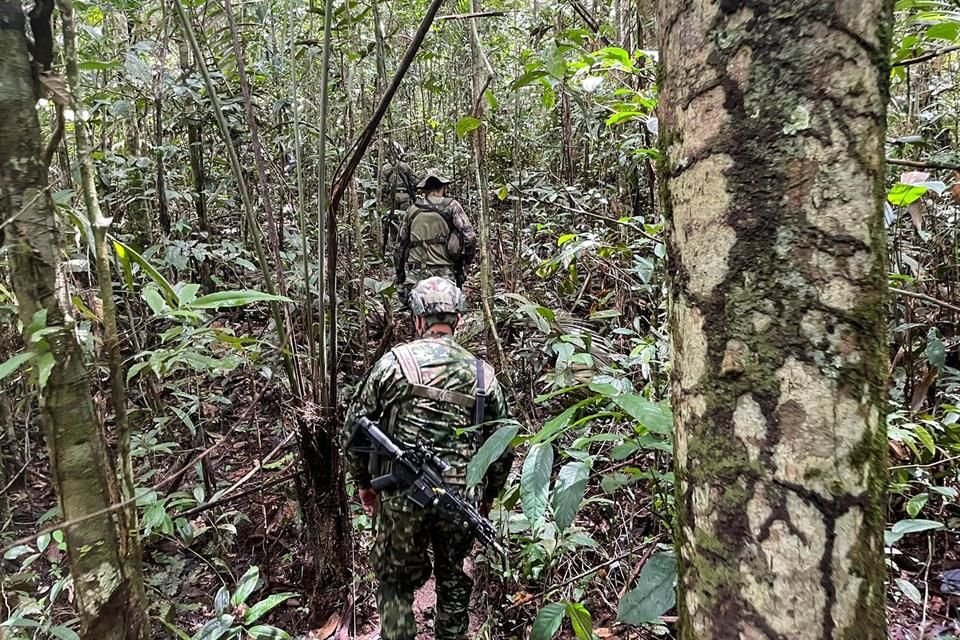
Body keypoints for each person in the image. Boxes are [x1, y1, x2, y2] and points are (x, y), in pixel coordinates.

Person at [342, 277, 514, 640]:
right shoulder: (484, 376)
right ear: (458, 320)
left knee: (395, 581)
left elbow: (353, 429)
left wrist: (363, 485)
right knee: (454, 583)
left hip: (403, 500)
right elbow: (502, 445)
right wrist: (486, 498)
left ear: (417, 320)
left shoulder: (393, 364)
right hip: (460, 498)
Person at [394, 169, 476, 301]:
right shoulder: (452, 206)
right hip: (445, 273)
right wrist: (466, 263)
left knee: (414, 309)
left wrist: (400, 276)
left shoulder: (412, 210)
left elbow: (400, 247)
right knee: (450, 308)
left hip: (416, 273)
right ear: (443, 188)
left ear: (424, 190)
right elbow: (470, 237)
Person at [379, 145, 418, 257]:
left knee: (392, 222)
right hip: (405, 196)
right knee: (406, 221)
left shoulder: (385, 168)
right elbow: (415, 181)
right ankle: (405, 246)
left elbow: (382, 186)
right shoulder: (405, 166)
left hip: (392, 198)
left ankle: (394, 247)